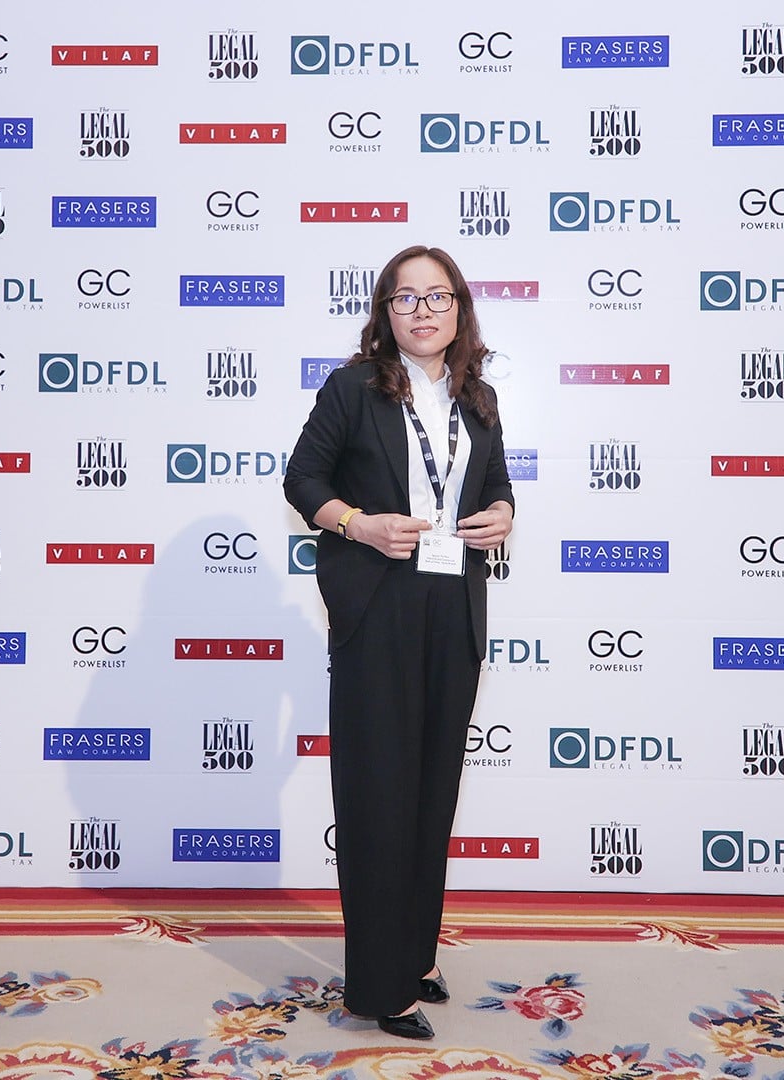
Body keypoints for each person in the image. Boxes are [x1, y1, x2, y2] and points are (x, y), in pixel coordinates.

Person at [284, 245, 515, 1041]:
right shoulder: (353, 388)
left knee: (431, 790)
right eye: (405, 297)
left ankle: (414, 954)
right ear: (385, 312)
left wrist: (503, 515)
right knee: (380, 795)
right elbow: (303, 481)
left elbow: (494, 484)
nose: (423, 310)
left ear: (459, 310)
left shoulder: (477, 395)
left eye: (437, 296)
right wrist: (359, 524)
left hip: (454, 605)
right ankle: (380, 987)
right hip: (378, 604)